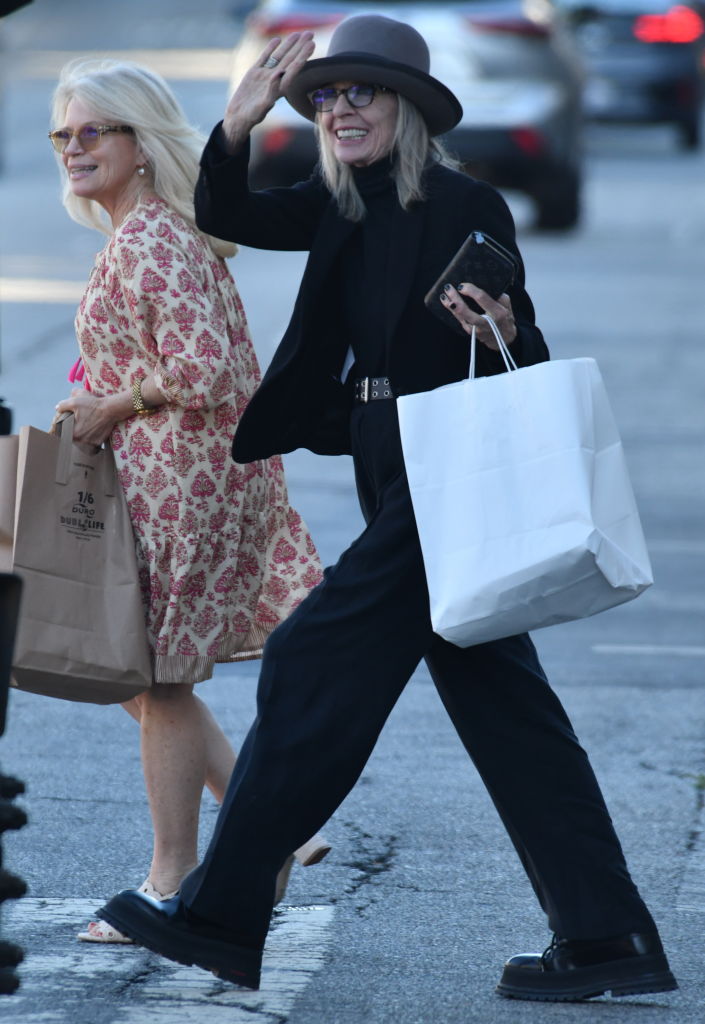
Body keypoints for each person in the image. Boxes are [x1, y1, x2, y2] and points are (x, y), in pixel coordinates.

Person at [98, 17, 678, 1002]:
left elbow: (518, 342)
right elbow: (226, 210)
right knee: (509, 714)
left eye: (360, 92)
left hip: (445, 476)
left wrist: (503, 323)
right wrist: (238, 122)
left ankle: (223, 915)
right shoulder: (337, 203)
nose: (339, 110)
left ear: (406, 108)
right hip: (389, 467)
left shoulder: (464, 202)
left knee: (309, 656)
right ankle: (606, 935)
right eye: (326, 97)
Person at [50, 58, 331, 944]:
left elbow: (205, 371)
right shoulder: (146, 233)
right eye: (62, 135)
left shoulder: (152, 240)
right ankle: (267, 833)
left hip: (183, 486)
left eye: (92, 131)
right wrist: (100, 396)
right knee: (134, 676)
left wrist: (112, 403)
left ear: (140, 143)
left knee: (158, 680)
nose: (73, 148)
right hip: (169, 480)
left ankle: (171, 881)